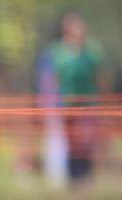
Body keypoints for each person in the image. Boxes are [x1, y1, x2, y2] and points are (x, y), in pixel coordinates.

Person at [42, 12, 105, 183]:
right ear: (67, 30)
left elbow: (99, 77)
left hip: (89, 103)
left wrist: (102, 101)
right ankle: (73, 174)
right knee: (70, 139)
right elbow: (52, 78)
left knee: (87, 139)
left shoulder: (92, 50)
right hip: (66, 104)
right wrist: (51, 102)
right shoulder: (57, 51)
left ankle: (86, 173)